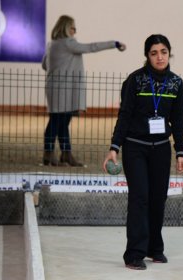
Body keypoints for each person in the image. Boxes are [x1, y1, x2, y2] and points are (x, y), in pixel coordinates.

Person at [102, 34, 183, 270]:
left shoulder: (176, 84)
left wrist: (180, 151)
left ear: (169, 54)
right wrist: (114, 147)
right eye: (154, 53)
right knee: (139, 198)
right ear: (147, 56)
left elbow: (178, 120)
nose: (159, 57)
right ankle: (134, 254)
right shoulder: (135, 81)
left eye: (163, 52)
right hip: (135, 147)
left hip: (161, 149)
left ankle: (154, 248)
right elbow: (125, 115)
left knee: (158, 199)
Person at [42, 15, 126, 167]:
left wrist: (61, 67)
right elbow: (91, 47)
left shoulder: (52, 44)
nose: (75, 31)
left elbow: (44, 65)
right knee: (56, 122)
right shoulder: (69, 43)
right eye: (73, 27)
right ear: (66, 28)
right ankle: (50, 153)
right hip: (64, 89)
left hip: (54, 87)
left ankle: (65, 154)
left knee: (60, 122)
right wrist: (114, 44)